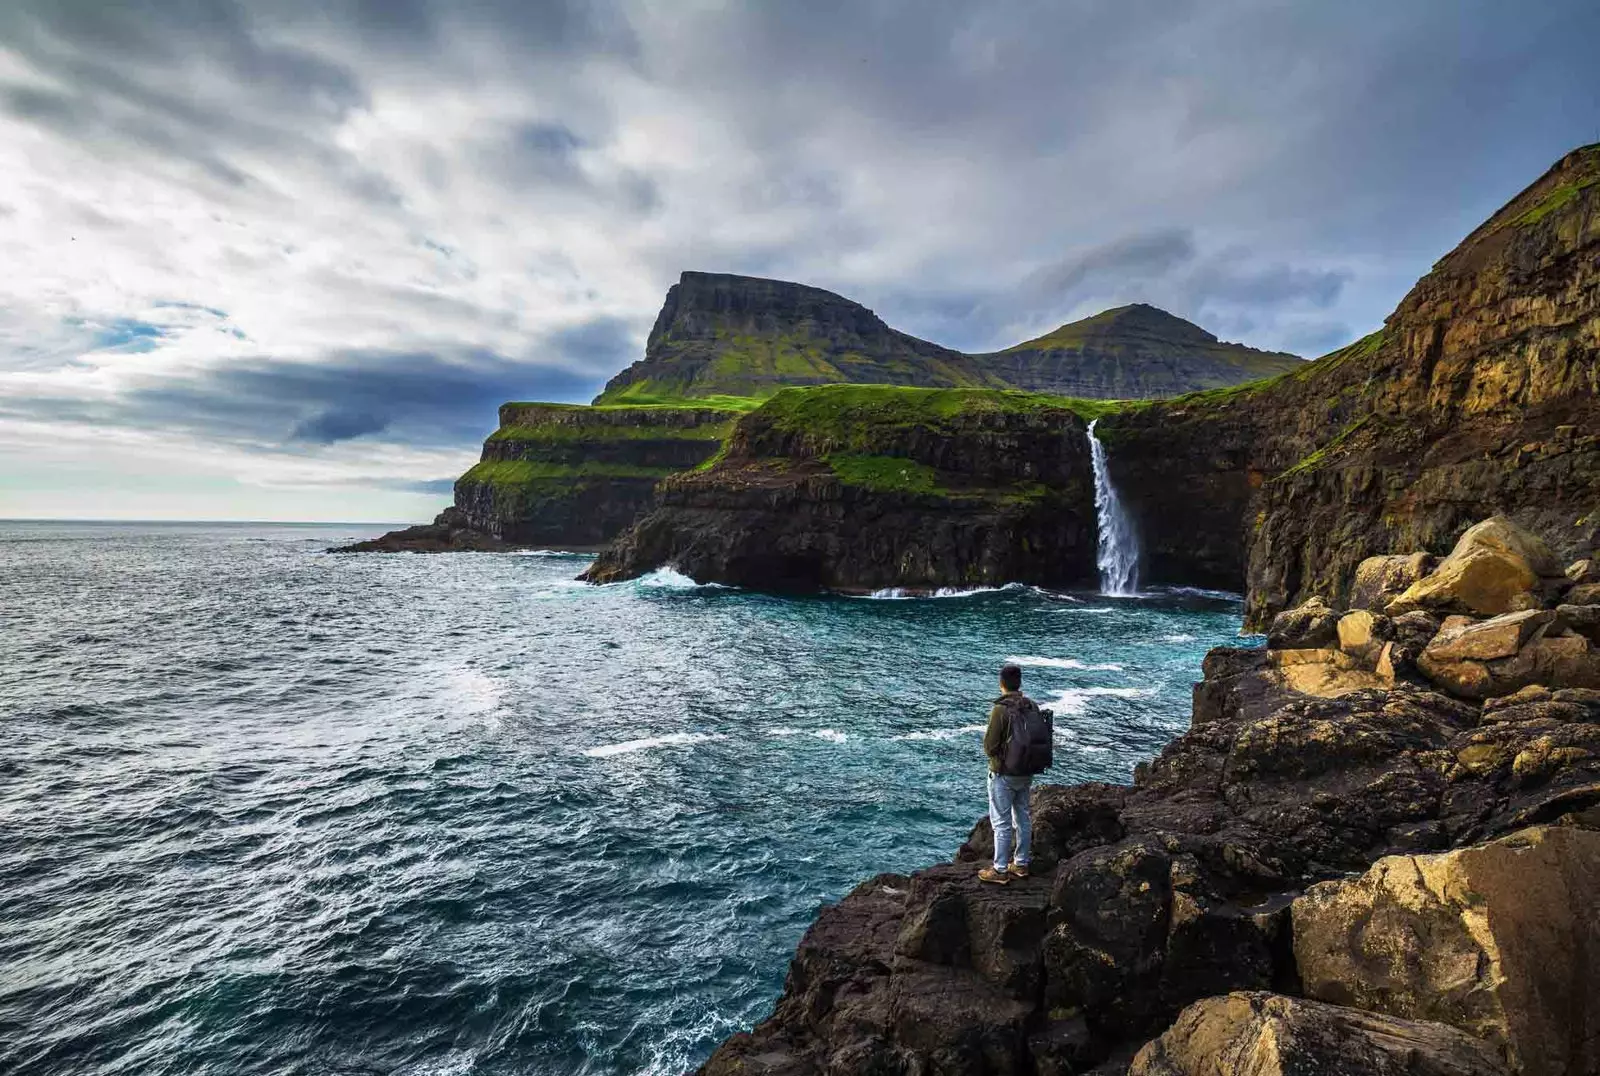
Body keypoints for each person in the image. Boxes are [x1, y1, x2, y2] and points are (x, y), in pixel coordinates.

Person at [979, 663, 1039, 885]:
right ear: (1019, 683)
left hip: (1003, 773)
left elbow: (989, 747)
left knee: (1001, 822)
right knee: (1022, 816)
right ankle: (1021, 863)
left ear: (1001, 683)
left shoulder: (1000, 709)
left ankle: (1000, 869)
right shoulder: (1032, 705)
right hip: (1026, 771)